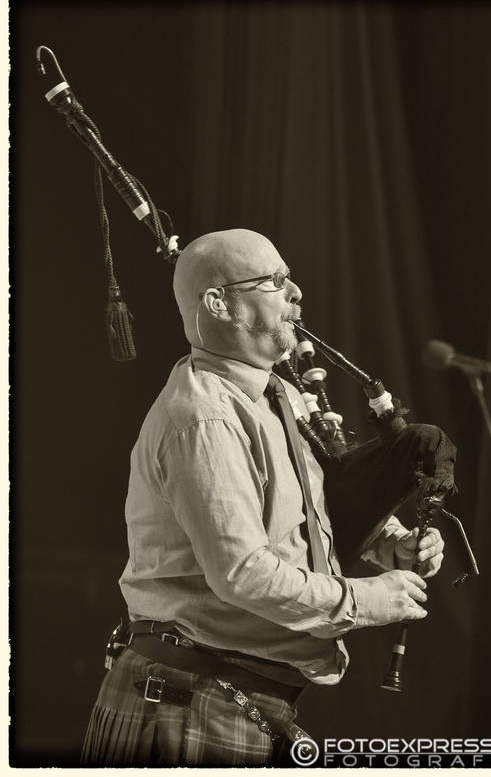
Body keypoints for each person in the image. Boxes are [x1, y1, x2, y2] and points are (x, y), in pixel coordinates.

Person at [81, 228, 444, 767]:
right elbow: (242, 573)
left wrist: (389, 543)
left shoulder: (281, 395)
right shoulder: (204, 418)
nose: (296, 292)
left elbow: (312, 506)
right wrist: (366, 600)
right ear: (218, 303)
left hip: (228, 699)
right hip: (187, 702)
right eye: (274, 281)